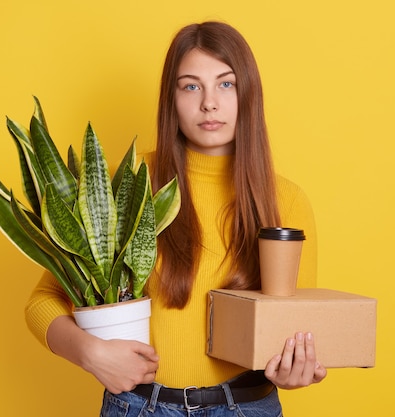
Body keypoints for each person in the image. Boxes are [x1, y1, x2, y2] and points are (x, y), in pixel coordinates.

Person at [25, 21, 326, 416]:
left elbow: (297, 324)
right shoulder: (130, 185)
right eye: (190, 86)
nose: (209, 103)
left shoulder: (285, 199)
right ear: (171, 98)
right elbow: (42, 301)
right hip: (141, 406)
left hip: (249, 406)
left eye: (226, 84)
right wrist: (90, 352)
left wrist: (295, 367)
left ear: (248, 93)